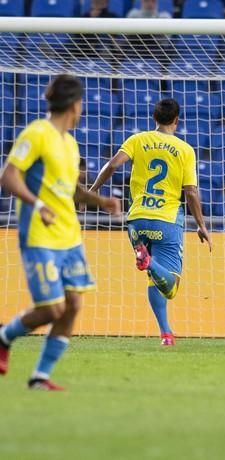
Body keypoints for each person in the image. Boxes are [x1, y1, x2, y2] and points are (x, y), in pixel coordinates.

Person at [0, 75, 121, 390]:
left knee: (73, 305)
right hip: (39, 233)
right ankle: (3, 336)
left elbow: (71, 191)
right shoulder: (37, 133)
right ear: (75, 104)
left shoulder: (70, 143)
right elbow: (9, 176)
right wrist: (37, 204)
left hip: (69, 236)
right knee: (51, 309)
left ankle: (40, 377)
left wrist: (100, 200)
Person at [89, 98, 212, 346]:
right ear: (177, 120)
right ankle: (149, 262)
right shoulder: (185, 150)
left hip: (136, 221)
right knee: (171, 286)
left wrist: (91, 192)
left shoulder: (138, 140)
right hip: (166, 220)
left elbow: (112, 165)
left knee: (153, 278)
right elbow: (190, 191)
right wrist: (201, 224)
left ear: (154, 118)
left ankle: (166, 333)